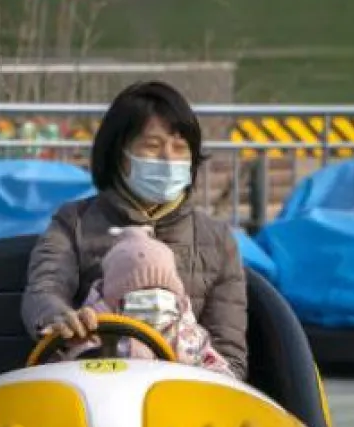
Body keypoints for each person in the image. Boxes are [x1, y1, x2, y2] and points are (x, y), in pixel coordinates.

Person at [22, 81, 248, 377]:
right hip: (93, 383)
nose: (168, 159)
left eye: (180, 148)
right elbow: (45, 289)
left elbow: (229, 352)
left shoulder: (216, 240)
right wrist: (62, 321)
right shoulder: (73, 222)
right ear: (119, 154)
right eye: (152, 146)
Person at [63, 225, 241, 380]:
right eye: (141, 292)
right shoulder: (95, 334)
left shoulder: (189, 337)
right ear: (112, 299)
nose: (155, 300)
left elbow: (222, 377)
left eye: (163, 290)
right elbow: (72, 373)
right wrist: (90, 349)